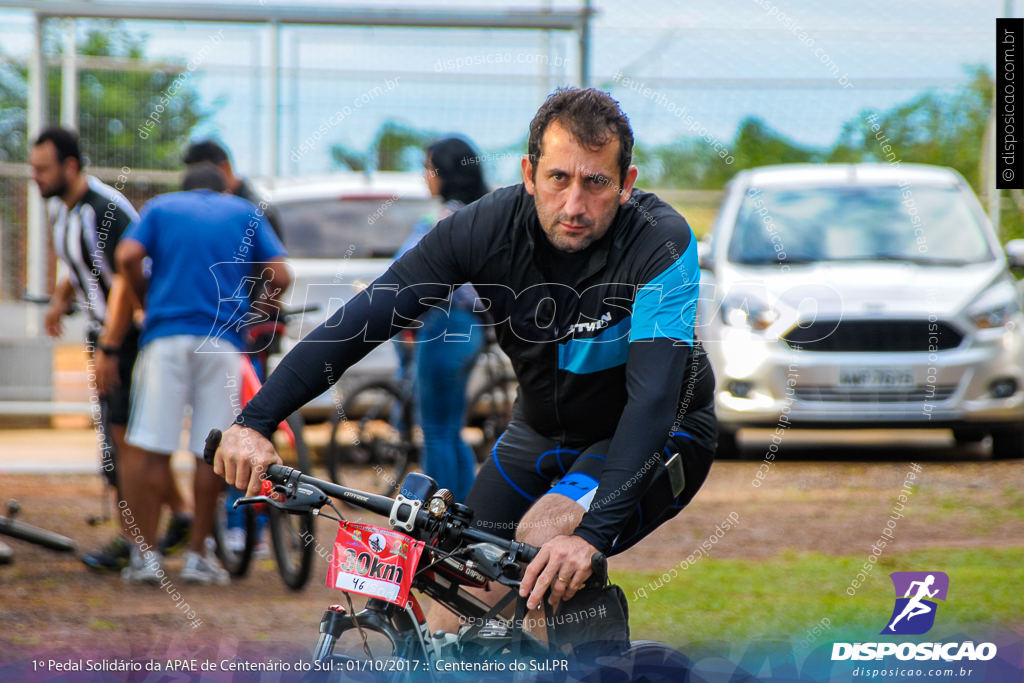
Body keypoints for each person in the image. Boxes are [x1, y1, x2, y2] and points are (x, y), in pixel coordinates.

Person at [214, 88, 716, 627]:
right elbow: (367, 317)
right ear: (529, 173)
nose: (574, 205)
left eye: (596, 182)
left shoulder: (659, 240)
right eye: (558, 179)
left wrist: (590, 537)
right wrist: (255, 420)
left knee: (545, 542)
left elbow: (655, 400)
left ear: (626, 184)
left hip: (655, 431)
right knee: (454, 592)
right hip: (541, 432)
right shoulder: (483, 228)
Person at [115, 161, 290, 584]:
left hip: (166, 338)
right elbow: (281, 274)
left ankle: (147, 556)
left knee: (152, 447)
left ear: (186, 186)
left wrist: (145, 300)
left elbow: (127, 255)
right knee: (209, 450)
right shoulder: (245, 212)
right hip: (222, 342)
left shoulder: (159, 208)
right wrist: (252, 315)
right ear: (221, 187)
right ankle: (199, 555)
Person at [28, 126, 192, 572]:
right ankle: (179, 516)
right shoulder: (64, 210)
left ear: (71, 167)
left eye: (43, 169)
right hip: (107, 335)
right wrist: (62, 299)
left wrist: (111, 347)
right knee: (118, 441)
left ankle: (138, 538)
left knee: (124, 442)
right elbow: (82, 263)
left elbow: (124, 280)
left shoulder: (103, 211)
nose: (35, 178)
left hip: (128, 335)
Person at [391, 137, 490, 502]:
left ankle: (442, 522)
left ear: (444, 174)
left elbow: (399, 272)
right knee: (452, 430)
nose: (424, 177)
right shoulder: (485, 214)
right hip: (472, 329)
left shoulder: (439, 219)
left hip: (443, 326)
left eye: (428, 168)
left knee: (434, 431)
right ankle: (467, 516)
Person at [182, 140, 282, 242]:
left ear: (225, 168)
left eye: (202, 176)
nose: (196, 183)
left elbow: (274, 257)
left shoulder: (260, 213)